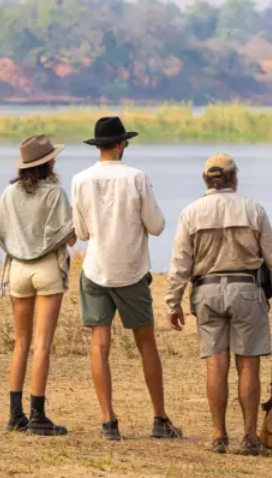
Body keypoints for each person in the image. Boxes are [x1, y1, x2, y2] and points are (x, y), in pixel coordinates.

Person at [166, 153, 272, 456]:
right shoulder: (253, 209)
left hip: (207, 292)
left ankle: (219, 435)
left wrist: (173, 302)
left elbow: (180, 263)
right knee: (248, 363)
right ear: (235, 178)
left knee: (216, 362)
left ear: (206, 180)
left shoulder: (190, 212)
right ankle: (249, 437)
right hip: (247, 290)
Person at [70, 116, 184, 442]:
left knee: (99, 345)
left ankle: (109, 422)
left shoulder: (80, 180)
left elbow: (81, 232)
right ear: (121, 145)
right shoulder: (137, 178)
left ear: (98, 146)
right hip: (132, 271)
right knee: (146, 344)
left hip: (95, 270)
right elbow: (158, 225)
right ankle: (160, 419)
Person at [0, 134, 76, 436]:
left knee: (21, 343)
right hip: (47, 270)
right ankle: (38, 415)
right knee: (42, 345)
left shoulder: (9, 193)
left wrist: (21, 246)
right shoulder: (56, 193)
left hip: (17, 270)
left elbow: (0, 230)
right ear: (49, 163)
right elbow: (70, 237)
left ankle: (15, 415)